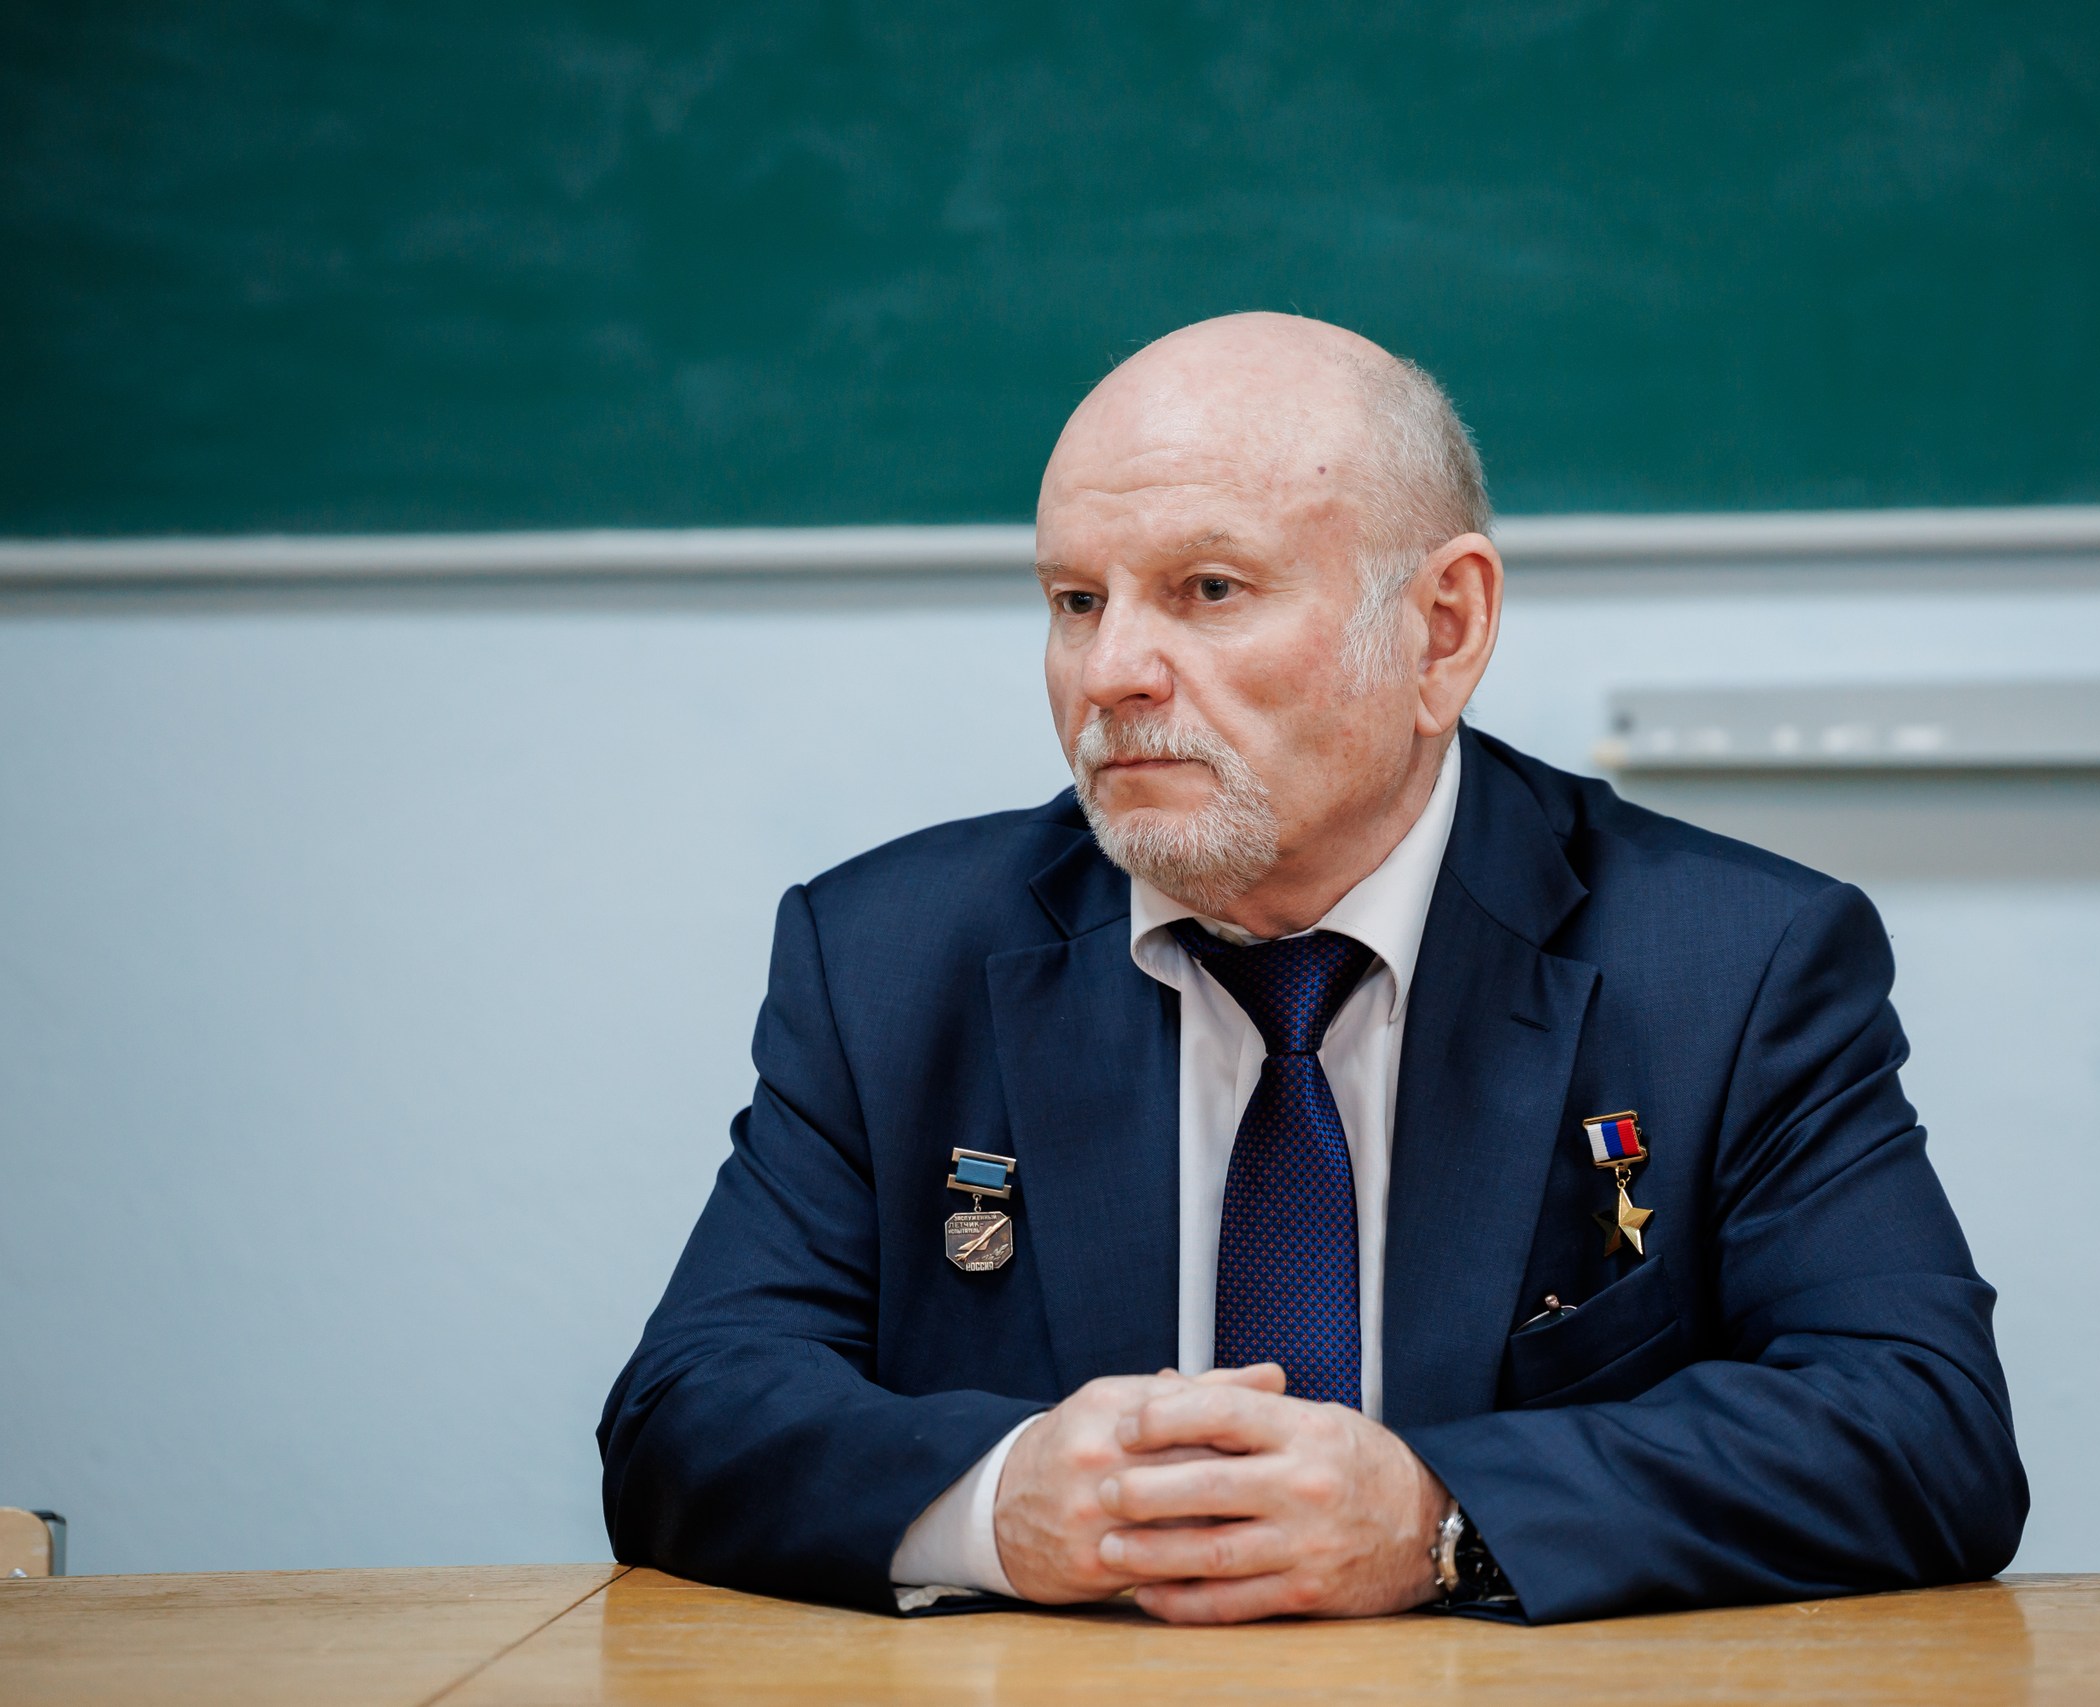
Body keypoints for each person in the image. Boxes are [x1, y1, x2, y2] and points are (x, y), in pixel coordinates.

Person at [598, 313, 2028, 1624]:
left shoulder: (1731, 963)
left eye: (1208, 589)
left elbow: (1924, 1427)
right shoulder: (888, 958)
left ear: (1442, 631)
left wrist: (1442, 1518)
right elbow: (685, 1413)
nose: (1112, 672)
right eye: (1077, 601)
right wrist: (994, 1501)